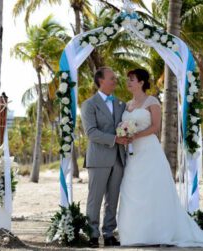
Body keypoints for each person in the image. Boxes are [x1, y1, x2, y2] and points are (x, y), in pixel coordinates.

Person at [117, 68, 203, 247]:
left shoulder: (151, 101)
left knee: (153, 191)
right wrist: (124, 134)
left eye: (131, 79)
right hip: (132, 153)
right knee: (132, 190)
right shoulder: (127, 104)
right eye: (128, 79)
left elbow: (155, 127)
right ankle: (135, 234)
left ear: (141, 82)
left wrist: (135, 135)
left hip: (149, 151)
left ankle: (157, 232)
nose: (128, 82)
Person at [80, 67, 128, 248]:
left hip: (118, 158)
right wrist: (116, 139)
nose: (115, 81)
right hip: (98, 159)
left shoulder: (121, 104)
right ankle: (92, 235)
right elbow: (91, 132)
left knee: (113, 199)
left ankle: (109, 234)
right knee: (95, 198)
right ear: (101, 81)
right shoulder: (89, 105)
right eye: (112, 78)